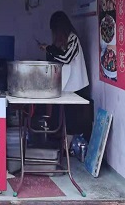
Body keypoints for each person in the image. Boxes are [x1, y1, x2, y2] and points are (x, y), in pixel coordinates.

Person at [39, 11, 94, 141]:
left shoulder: (73, 39)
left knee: (75, 121)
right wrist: (49, 49)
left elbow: (66, 58)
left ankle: (72, 146)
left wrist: (49, 49)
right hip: (67, 86)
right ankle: (66, 145)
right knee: (67, 119)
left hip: (78, 87)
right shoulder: (63, 41)